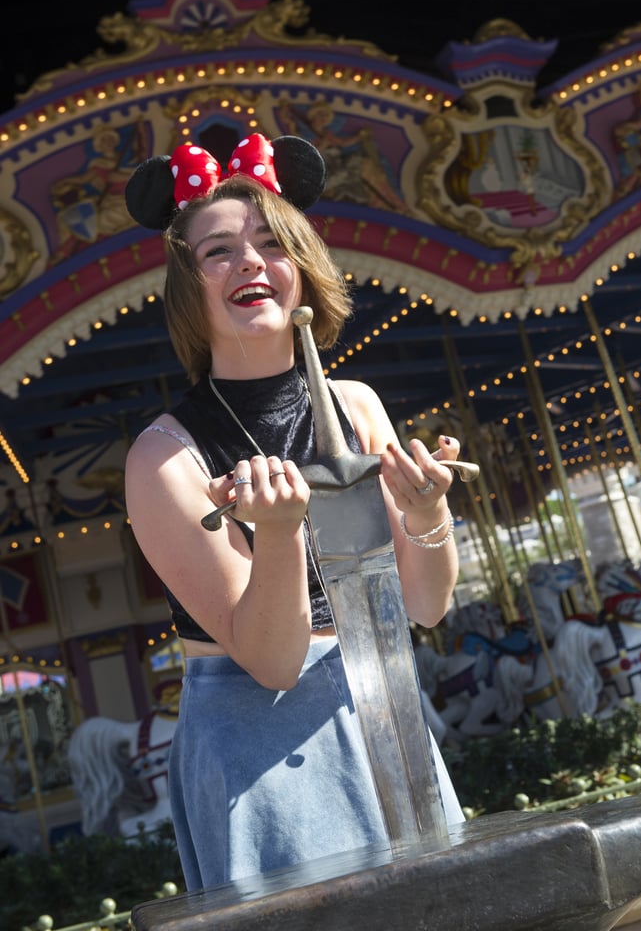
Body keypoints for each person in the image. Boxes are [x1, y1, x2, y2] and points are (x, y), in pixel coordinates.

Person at [123, 132, 465, 891]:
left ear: (302, 267)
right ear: (189, 285)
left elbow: (427, 603)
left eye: (271, 242)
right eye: (218, 251)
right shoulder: (164, 456)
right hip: (257, 751)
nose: (249, 260)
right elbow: (272, 662)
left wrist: (424, 513)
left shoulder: (356, 405)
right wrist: (277, 538)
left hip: (385, 709)